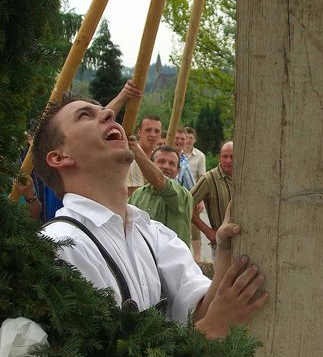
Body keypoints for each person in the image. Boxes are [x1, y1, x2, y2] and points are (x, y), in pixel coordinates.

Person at [31, 92, 267, 338]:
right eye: (84, 116)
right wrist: (214, 326)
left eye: (102, 109)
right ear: (60, 157)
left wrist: (225, 256)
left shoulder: (151, 232)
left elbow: (199, 312)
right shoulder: (58, 247)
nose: (110, 113)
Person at [128, 144, 193, 249]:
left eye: (172, 164)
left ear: (178, 171)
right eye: (161, 161)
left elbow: (160, 181)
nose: (166, 166)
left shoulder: (183, 196)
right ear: (151, 164)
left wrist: (135, 149)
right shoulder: (137, 194)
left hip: (172, 262)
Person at [191, 141, 233, 251]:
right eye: (225, 156)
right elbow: (186, 205)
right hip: (222, 246)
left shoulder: (247, 177)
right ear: (219, 157)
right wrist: (207, 231)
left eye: (232, 156)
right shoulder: (209, 179)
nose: (228, 161)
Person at [184, 127, 207, 261]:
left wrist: (201, 199)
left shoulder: (200, 156)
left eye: (190, 138)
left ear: (195, 140)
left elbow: (202, 177)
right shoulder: (178, 154)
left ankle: (197, 257)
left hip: (194, 194)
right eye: (186, 137)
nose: (188, 140)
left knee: (195, 226)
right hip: (179, 192)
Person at [126, 115, 162, 196]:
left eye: (157, 131)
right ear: (139, 132)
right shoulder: (131, 157)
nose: (153, 134)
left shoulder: (159, 158)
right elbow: (134, 196)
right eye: (148, 130)